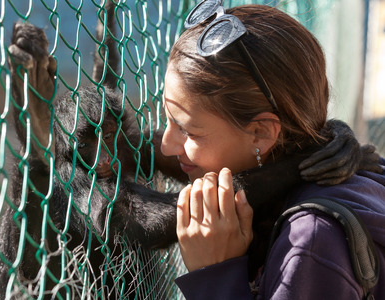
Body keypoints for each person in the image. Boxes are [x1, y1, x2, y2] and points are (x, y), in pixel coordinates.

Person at [160, 2, 385, 299]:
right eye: (166, 120)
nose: (165, 145)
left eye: (188, 130)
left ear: (261, 133)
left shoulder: (310, 242)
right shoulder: (340, 168)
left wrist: (215, 277)